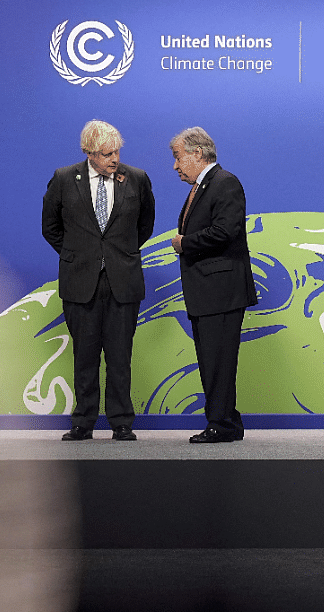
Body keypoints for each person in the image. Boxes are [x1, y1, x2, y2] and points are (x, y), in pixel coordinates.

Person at [42, 120, 155, 440]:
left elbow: (144, 225)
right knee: (85, 355)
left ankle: (121, 421)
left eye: (117, 151)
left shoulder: (136, 179)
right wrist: (79, 255)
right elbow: (50, 226)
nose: (114, 159)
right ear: (89, 153)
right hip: (81, 281)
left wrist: (119, 253)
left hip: (123, 279)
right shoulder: (64, 179)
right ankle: (83, 421)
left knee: (120, 356)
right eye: (107, 153)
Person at [169, 127, 257, 443]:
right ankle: (227, 422)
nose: (176, 166)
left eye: (178, 157)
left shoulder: (225, 183)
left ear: (197, 153)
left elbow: (225, 231)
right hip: (208, 292)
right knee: (212, 359)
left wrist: (185, 243)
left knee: (217, 361)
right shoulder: (204, 186)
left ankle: (220, 424)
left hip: (221, 291)